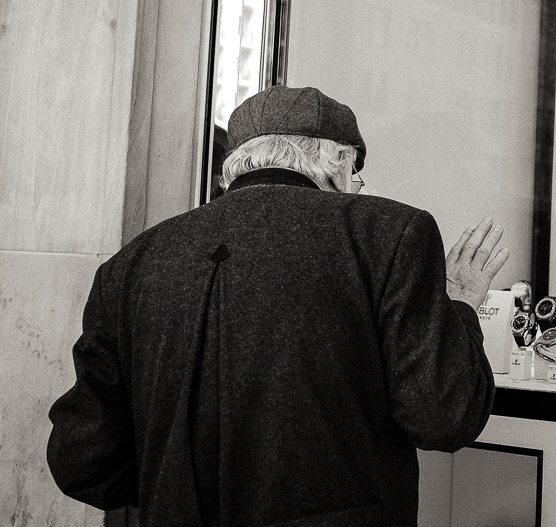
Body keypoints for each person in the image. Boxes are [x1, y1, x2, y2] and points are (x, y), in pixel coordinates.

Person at [46, 85, 509, 525]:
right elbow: (443, 417)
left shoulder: (131, 265)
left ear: (237, 166)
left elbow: (84, 459)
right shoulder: (388, 232)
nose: (359, 190)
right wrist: (461, 307)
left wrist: (179, 492)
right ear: (338, 164)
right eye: (358, 178)